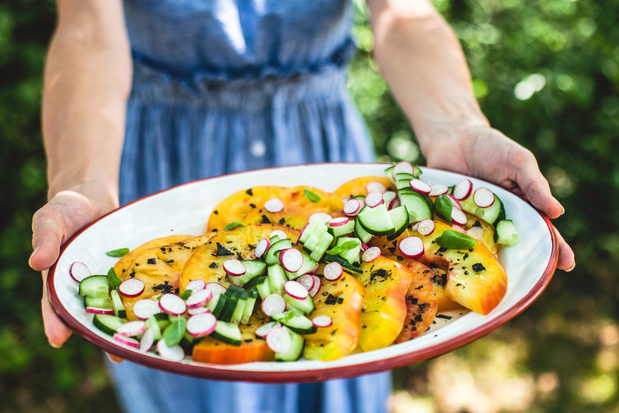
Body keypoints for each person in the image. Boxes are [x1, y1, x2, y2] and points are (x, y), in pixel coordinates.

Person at [29, 0, 576, 412]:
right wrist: (82, 184)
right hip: (165, 167)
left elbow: (403, 15)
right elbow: (87, 35)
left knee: (347, 350)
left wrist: (457, 127)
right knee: (192, 373)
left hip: (324, 163)